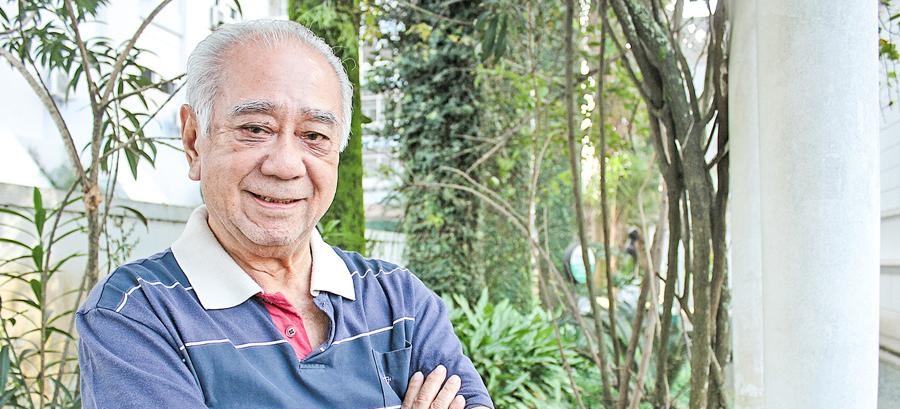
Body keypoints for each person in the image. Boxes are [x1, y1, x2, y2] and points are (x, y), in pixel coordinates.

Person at [76, 19, 493, 409]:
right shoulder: (135, 314)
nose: (285, 165)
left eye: (314, 135)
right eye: (256, 129)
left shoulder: (399, 300)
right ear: (193, 140)